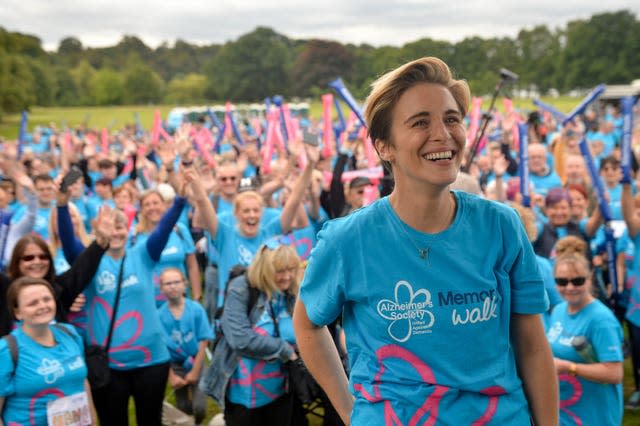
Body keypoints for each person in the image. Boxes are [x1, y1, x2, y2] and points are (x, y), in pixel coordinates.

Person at [293, 56, 558, 425]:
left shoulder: (502, 226)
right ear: (385, 146)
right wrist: (351, 410)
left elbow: (532, 347)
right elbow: (307, 324)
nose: (443, 133)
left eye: (451, 119)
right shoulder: (347, 239)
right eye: (421, 122)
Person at [81, 178, 191, 425]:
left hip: (151, 361)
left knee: (150, 421)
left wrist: (180, 200)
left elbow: (163, 230)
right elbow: (68, 244)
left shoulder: (143, 253)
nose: (116, 233)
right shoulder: (89, 263)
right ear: (99, 231)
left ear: (128, 229)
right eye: (110, 228)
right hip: (109, 365)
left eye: (121, 227)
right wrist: (63, 205)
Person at [200, 242, 302, 425]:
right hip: (245, 395)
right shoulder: (242, 288)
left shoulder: (290, 293)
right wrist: (284, 349)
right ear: (265, 269)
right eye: (280, 271)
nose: (287, 277)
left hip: (282, 389)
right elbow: (241, 339)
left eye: (291, 269)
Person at [0, 277, 96, 425]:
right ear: (18, 312)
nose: (42, 306)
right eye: (33, 303)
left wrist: (92, 421)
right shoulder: (7, 350)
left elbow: (83, 383)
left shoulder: (70, 333)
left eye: (47, 299)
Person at [0, 210, 112, 337]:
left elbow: (82, 268)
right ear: (17, 262)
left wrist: (101, 241)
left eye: (43, 257)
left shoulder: (59, 288)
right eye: (28, 258)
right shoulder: (5, 289)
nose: (37, 262)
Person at [546, 252, 623, 425]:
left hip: (594, 413)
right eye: (562, 281)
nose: (570, 287)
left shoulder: (601, 320)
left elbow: (614, 373)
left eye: (578, 281)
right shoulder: (558, 310)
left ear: (589, 279)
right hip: (565, 410)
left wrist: (568, 367)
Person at [157, 267, 213, 426]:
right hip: (175, 365)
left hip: (196, 360)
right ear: (161, 288)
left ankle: (197, 421)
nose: (173, 286)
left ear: (185, 284)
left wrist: (195, 370)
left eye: (176, 282)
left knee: (200, 406)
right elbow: (160, 348)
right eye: (168, 283)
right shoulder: (159, 316)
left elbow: (204, 340)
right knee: (182, 406)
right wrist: (172, 376)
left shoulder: (196, 309)